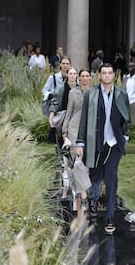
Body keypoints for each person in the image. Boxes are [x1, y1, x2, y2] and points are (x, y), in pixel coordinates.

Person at [76, 63, 130, 235]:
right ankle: (92, 201)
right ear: (99, 76)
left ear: (114, 75)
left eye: (110, 73)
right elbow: (84, 120)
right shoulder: (91, 95)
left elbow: (126, 118)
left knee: (111, 176)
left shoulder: (122, 94)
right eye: (104, 73)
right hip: (96, 142)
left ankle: (109, 217)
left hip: (115, 144)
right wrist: (80, 142)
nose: (107, 76)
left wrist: (125, 137)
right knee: (95, 175)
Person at [61, 69, 92, 219]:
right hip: (74, 129)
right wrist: (64, 130)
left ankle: (81, 190)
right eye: (82, 76)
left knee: (85, 164)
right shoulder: (73, 93)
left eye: (87, 76)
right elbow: (69, 111)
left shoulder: (94, 93)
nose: (85, 79)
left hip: (88, 132)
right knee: (77, 162)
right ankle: (83, 195)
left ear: (90, 78)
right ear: (79, 78)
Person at [50, 67, 78, 199]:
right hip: (64, 126)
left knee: (76, 157)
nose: (72, 76)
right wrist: (52, 116)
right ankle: (66, 189)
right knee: (65, 158)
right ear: (68, 75)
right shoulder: (62, 88)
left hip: (77, 126)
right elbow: (55, 102)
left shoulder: (79, 89)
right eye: (70, 73)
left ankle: (75, 188)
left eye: (74, 73)